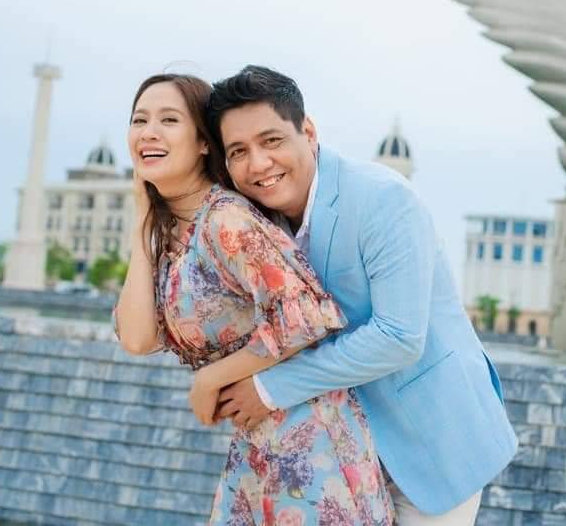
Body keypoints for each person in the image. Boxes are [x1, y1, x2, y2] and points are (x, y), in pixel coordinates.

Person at [206, 66, 518, 524]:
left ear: (308, 132)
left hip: (429, 443)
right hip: (335, 457)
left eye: (271, 141)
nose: (258, 163)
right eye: (239, 151)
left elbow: (398, 337)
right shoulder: (253, 222)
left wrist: (269, 389)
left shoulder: (383, 198)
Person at [113, 73, 395, 525]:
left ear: (203, 142)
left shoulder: (225, 220)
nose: (149, 132)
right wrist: (142, 224)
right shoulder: (173, 238)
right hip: (258, 444)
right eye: (139, 120)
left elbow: (305, 317)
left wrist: (210, 379)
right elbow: (137, 338)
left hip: (310, 443)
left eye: (168, 120)